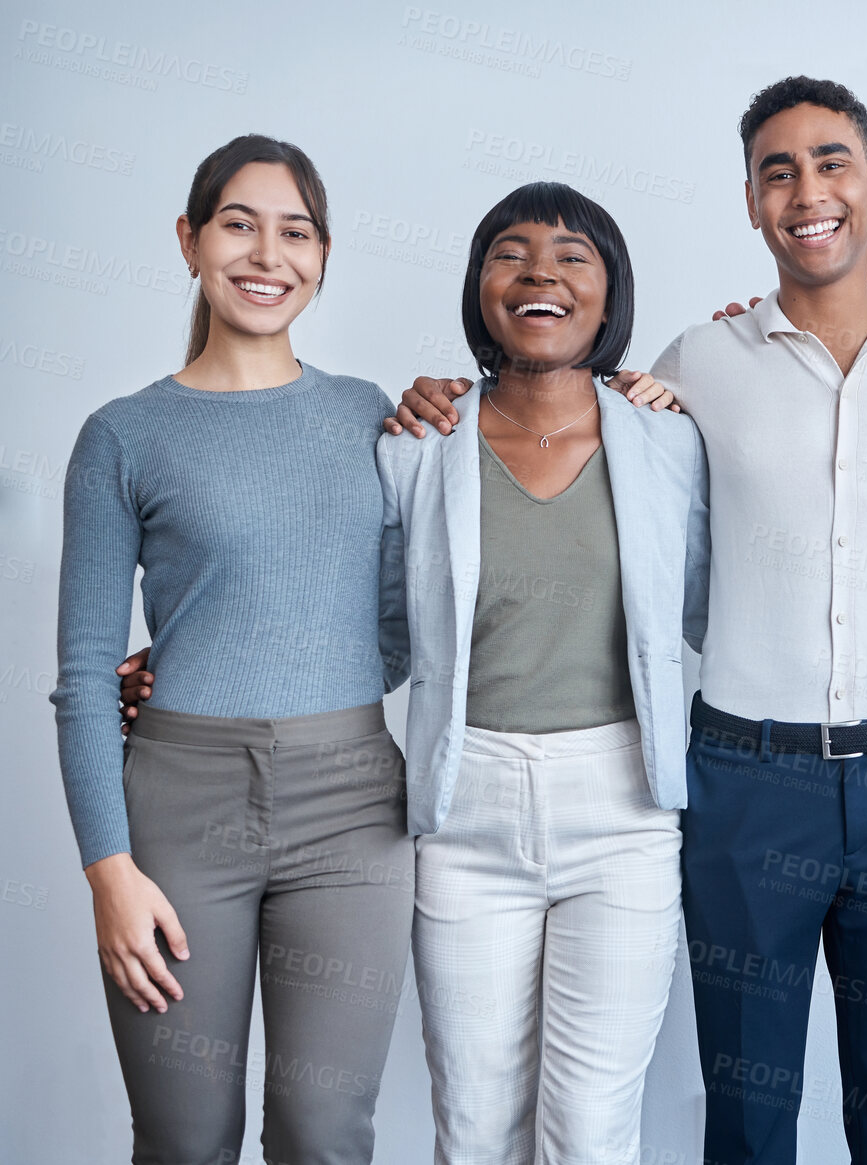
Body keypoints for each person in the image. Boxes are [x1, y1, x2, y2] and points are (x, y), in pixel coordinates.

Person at [391, 76, 867, 1165]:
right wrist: (442, 395)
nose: (808, 190)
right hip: (746, 783)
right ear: (753, 204)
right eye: (778, 171)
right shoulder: (690, 370)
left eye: (832, 161)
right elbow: (608, 472)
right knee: (748, 1112)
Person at [50, 134, 416, 1164]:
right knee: (184, 1139)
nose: (268, 254)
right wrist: (107, 871)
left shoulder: (368, 416)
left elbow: (387, 635)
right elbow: (83, 674)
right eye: (239, 224)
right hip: (178, 811)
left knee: (324, 1132)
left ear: (325, 253)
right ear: (191, 240)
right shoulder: (123, 435)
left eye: (295, 231)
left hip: (353, 808)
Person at [374, 180, 708, 1164]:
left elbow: (725, 601)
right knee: (473, 1125)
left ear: (610, 297)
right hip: (465, 804)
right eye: (510, 253)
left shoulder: (669, 439)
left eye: (573, 256)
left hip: (623, 814)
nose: (540, 274)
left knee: (592, 1127)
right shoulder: (420, 445)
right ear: (482, 289)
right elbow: (375, 637)